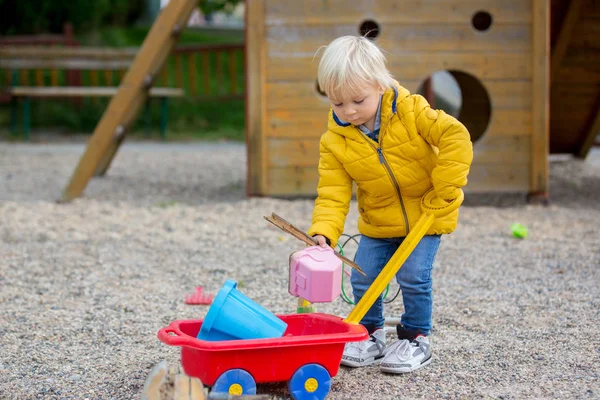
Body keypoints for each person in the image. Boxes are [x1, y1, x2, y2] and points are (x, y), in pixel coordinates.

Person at [307, 35, 473, 374]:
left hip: (426, 213)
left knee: (413, 276)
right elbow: (333, 192)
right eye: (338, 104)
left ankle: (415, 338)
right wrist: (324, 231)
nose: (349, 111)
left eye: (357, 100)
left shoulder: (412, 111)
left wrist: (444, 188)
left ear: (380, 85)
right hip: (378, 222)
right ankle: (369, 334)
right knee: (363, 278)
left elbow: (455, 136)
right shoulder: (335, 140)